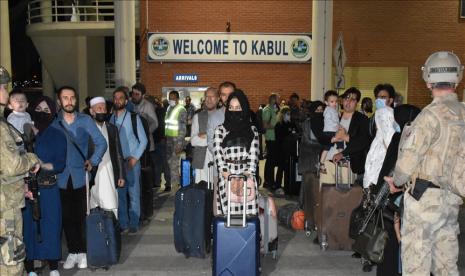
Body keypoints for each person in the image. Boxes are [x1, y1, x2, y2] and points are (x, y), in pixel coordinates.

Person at [385, 51, 465, 275]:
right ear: (457, 77)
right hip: (451, 200)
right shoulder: (463, 114)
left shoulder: (428, 117)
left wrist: (397, 182)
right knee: (447, 266)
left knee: (416, 266)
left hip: (424, 201)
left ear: (428, 79)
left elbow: (407, 162)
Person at [50, 86, 107, 270]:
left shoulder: (85, 120)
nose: (69, 101)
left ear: (76, 100)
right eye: (65, 98)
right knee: (66, 217)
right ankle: (73, 252)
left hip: (80, 177)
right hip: (60, 177)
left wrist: (93, 160)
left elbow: (101, 142)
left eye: (72, 98)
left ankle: (82, 251)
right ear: (59, 101)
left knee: (81, 216)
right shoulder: (54, 122)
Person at [0, 66, 40, 276]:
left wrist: (20, 184)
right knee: (12, 260)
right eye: (4, 87)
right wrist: (32, 159)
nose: (7, 92)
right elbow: (12, 165)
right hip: (5, 207)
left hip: (8, 196)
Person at [23, 96, 67, 276]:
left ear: (53, 113)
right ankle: (30, 268)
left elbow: (60, 164)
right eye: (39, 109)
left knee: (51, 226)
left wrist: (42, 164)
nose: (42, 112)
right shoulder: (24, 133)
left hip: (48, 188)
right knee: (29, 228)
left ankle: (53, 266)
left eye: (46, 110)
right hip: (28, 189)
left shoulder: (57, 134)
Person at [375, 104, 421, 276]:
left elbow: (390, 167)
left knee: (392, 238)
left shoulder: (400, 137)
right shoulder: (416, 137)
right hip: (408, 194)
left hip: (394, 193)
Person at [213, 89, 259, 215]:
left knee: (248, 219)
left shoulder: (252, 130)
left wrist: (242, 178)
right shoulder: (220, 130)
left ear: (244, 109)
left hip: (247, 177)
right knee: (228, 219)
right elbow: (218, 157)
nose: (234, 111)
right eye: (231, 107)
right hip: (226, 176)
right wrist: (231, 179)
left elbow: (253, 157)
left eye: (238, 107)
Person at [110, 87, 148, 234]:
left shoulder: (133, 118)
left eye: (120, 98)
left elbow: (143, 141)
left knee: (133, 194)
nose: (117, 100)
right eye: (115, 98)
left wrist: (135, 158)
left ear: (126, 101)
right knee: (120, 195)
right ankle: (123, 223)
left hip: (131, 162)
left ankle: (133, 223)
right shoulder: (111, 119)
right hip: (118, 164)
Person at [89, 97, 125, 217]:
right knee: (92, 206)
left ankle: (111, 232)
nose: (102, 111)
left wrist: (120, 175)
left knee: (111, 204)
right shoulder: (86, 129)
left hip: (109, 171)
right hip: (92, 173)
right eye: (99, 108)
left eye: (104, 108)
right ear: (91, 111)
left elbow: (118, 153)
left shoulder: (112, 128)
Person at [363, 84, 397, 189]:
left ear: (390, 100)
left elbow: (388, 136)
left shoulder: (383, 111)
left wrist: (391, 157)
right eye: (378, 97)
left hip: (382, 151)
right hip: (380, 149)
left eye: (383, 97)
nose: (379, 100)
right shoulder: (389, 112)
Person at [330, 87, 371, 176]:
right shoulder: (335, 117)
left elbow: (363, 142)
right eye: (346, 98)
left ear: (357, 103)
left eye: (352, 99)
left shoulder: (362, 119)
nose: (348, 102)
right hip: (329, 161)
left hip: (350, 164)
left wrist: (343, 152)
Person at [191, 87, 221, 183]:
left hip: (219, 160)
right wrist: (212, 137)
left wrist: (206, 136)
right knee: (202, 191)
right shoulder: (197, 117)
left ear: (218, 99)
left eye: (212, 97)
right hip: (201, 160)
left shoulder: (223, 116)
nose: (209, 100)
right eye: (207, 96)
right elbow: (193, 141)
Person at [164, 90, 187, 192]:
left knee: (174, 164)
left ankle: (175, 188)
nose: (171, 100)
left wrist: (179, 144)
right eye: (170, 98)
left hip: (176, 140)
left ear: (177, 99)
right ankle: (174, 185)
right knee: (170, 163)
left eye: (173, 98)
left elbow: (183, 128)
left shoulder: (181, 110)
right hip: (169, 139)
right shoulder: (169, 108)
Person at [274, 106, 298, 196]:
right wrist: (289, 133)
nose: (289, 116)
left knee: (289, 168)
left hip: (290, 149)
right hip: (281, 149)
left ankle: (288, 186)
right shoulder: (279, 125)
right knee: (281, 168)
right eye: (287, 114)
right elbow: (280, 137)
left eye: (290, 114)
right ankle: (278, 185)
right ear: (283, 115)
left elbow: (296, 132)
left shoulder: (292, 123)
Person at [319, 90, 343, 173]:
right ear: (326, 102)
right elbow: (329, 120)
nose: (334, 103)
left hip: (333, 130)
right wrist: (337, 125)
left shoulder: (333, 110)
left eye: (336, 101)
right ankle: (321, 162)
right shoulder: (328, 110)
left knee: (339, 143)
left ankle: (341, 157)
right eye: (332, 101)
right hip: (329, 131)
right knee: (327, 147)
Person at [261, 93, 279, 190]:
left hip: (275, 138)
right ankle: (268, 181)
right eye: (277, 99)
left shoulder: (273, 110)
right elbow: (265, 126)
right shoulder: (267, 110)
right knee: (270, 161)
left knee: (271, 161)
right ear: (273, 100)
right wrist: (274, 126)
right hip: (270, 138)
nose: (278, 101)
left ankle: (271, 180)